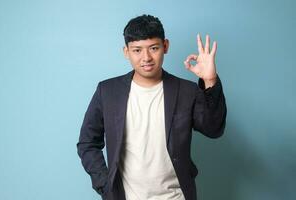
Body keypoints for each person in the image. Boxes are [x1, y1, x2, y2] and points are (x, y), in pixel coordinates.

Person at [77, 14, 227, 200]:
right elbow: (87, 142)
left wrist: (210, 80)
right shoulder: (107, 91)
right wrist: (105, 185)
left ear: (165, 46)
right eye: (137, 50)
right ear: (126, 52)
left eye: (153, 48)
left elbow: (214, 129)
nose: (146, 57)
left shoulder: (186, 91)